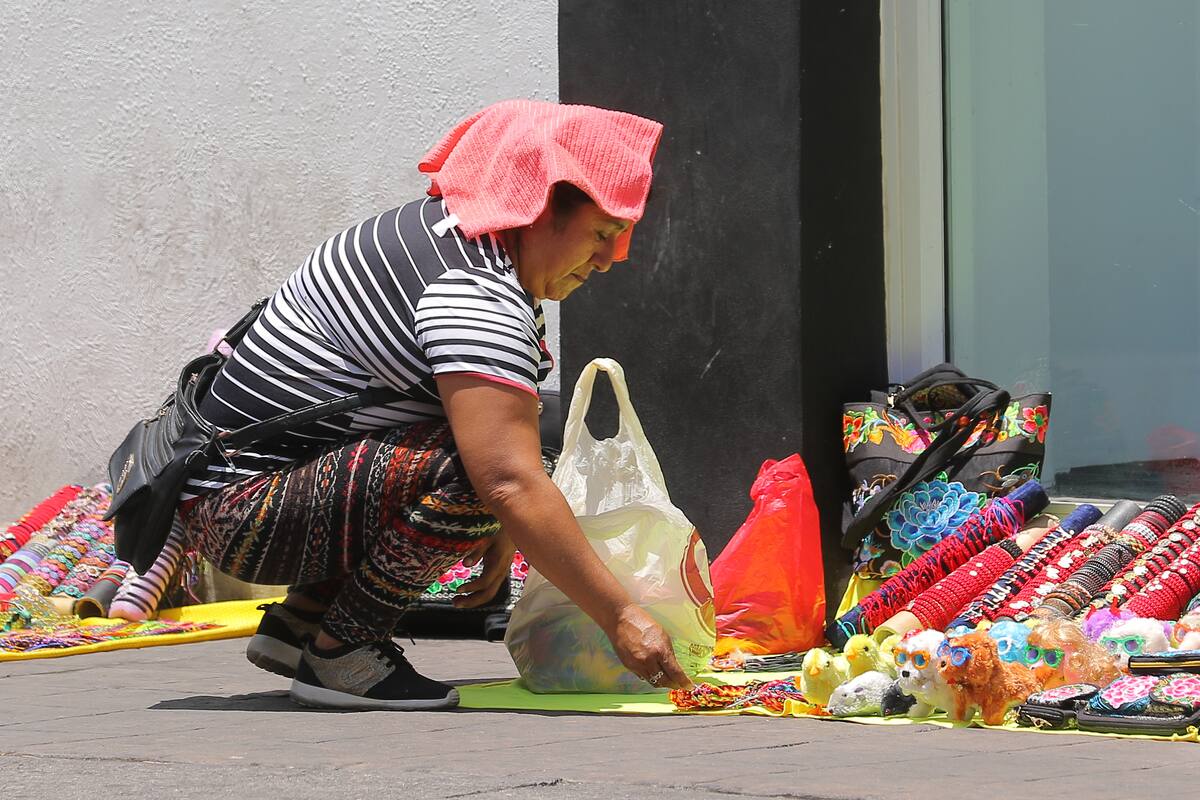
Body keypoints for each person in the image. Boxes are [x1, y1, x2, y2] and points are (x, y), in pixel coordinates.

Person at [177, 99, 692, 711]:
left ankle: (303, 625)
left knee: (510, 438)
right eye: (603, 234)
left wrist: (508, 529)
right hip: (245, 516)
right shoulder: (473, 289)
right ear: (539, 207)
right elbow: (505, 479)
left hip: (237, 492)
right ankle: (343, 652)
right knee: (488, 470)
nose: (610, 260)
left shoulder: (442, 235)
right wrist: (622, 617)